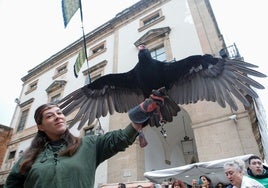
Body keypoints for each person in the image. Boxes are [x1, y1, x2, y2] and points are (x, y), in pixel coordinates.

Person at [4, 89, 169, 188]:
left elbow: (120, 138)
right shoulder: (28, 158)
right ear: (40, 126)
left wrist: (144, 110)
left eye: (59, 113)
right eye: (49, 116)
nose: (57, 117)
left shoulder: (87, 144)